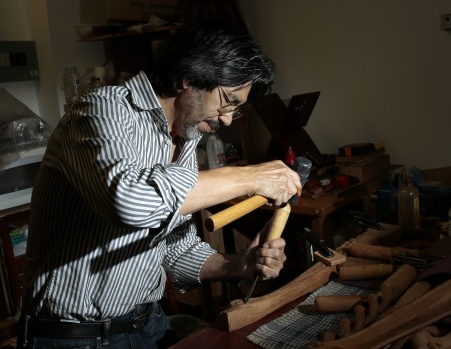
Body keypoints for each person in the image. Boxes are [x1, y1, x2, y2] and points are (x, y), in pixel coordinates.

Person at [18, 19, 301, 349]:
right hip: (76, 338)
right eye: (228, 101)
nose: (226, 118)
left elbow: (176, 248)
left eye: (235, 109)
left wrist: (239, 264)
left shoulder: (185, 136)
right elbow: (129, 200)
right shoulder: (102, 110)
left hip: (146, 325)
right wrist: (252, 177)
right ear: (188, 79)